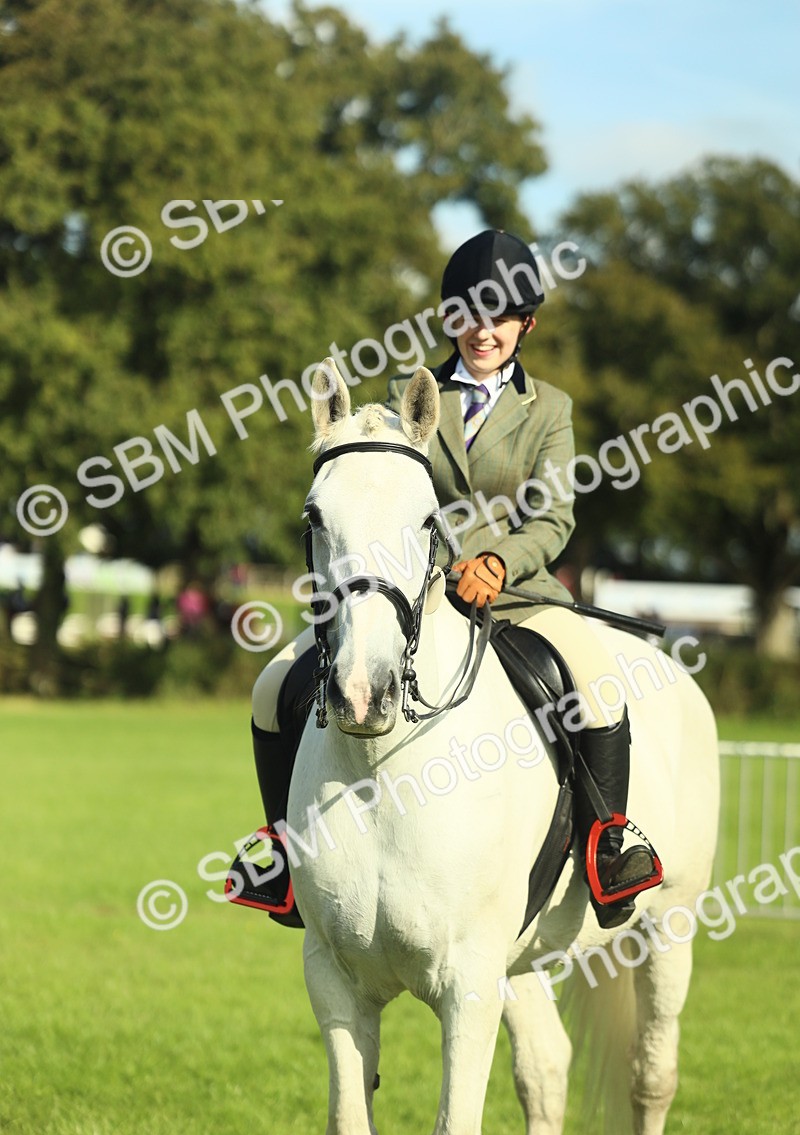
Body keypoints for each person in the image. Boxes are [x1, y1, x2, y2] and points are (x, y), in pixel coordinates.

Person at [242, 229, 657, 930]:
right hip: (419, 602)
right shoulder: (410, 404)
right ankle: (284, 853)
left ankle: (607, 844)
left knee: (598, 684)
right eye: (467, 313)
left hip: (522, 598)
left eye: (498, 316)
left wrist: (500, 564)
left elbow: (554, 519)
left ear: (526, 323)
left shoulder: (549, 410)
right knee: (271, 685)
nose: (482, 330)